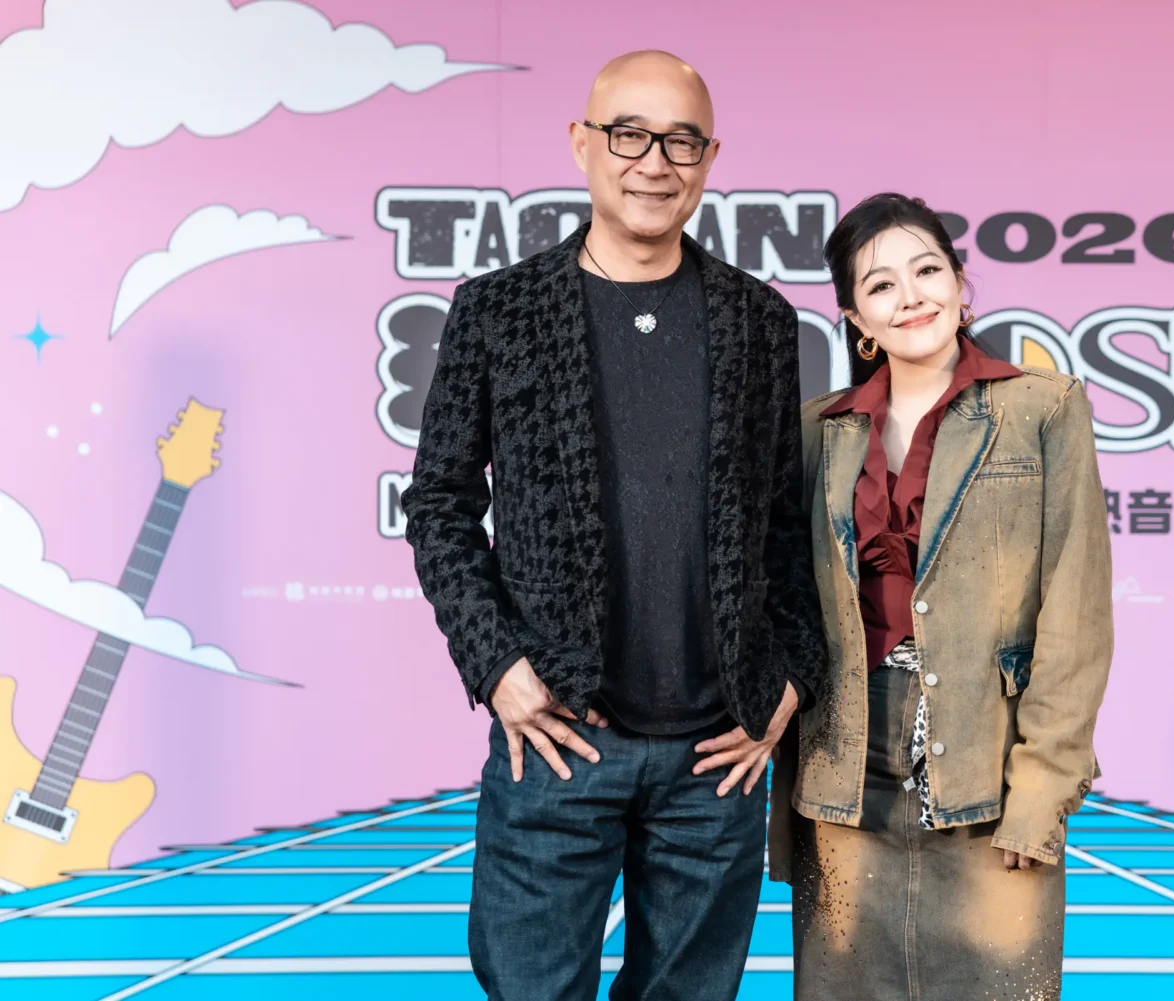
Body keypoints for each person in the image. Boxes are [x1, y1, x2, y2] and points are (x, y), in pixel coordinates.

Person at [402, 50, 826, 1001]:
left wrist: (787, 684)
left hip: (717, 757)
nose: (654, 163)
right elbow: (438, 504)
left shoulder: (759, 321)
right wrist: (499, 667)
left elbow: (785, 524)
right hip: (558, 735)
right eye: (629, 135)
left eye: (681, 141)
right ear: (582, 144)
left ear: (710, 158)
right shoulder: (499, 311)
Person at [768, 193, 1113, 1000]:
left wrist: (1042, 792)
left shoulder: (1043, 407)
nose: (911, 296)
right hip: (844, 769)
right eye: (881, 285)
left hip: (987, 767)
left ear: (960, 284)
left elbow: (1076, 614)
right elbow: (780, 596)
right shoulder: (817, 429)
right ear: (857, 318)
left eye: (926, 270)